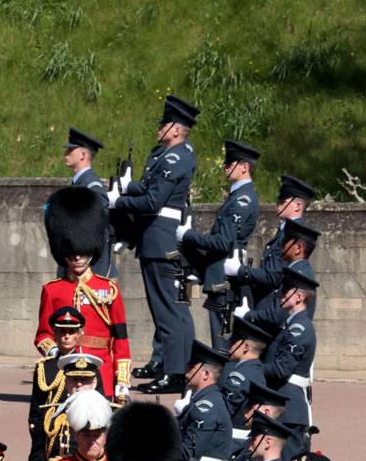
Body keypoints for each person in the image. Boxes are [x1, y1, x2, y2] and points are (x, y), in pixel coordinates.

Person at [110, 94, 200, 393]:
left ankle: (175, 373)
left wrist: (119, 201)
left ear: (176, 128)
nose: (159, 128)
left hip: (160, 237)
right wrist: (127, 185)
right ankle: (176, 365)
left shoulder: (176, 157)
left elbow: (152, 200)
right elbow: (149, 187)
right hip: (157, 237)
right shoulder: (168, 155)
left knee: (167, 310)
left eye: (164, 123)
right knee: (170, 307)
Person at [37, 187, 131, 398]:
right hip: (65, 373)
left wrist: (122, 379)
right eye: (72, 253)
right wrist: (56, 353)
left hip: (101, 372)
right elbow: (43, 334)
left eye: (82, 252)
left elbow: (120, 339)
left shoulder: (108, 289)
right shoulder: (52, 290)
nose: (77, 257)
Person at [178, 140, 260, 348]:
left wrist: (189, 235)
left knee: (222, 341)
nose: (225, 166)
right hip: (220, 275)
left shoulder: (242, 200)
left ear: (244, 167)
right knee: (221, 337)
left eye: (231, 162)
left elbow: (223, 242)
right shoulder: (237, 196)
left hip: (224, 278)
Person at [225, 177, 316, 313]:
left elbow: (273, 276)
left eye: (282, 202)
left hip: (273, 306)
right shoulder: (284, 231)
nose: (277, 205)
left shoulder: (293, 236)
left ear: (297, 206)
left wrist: (241, 270)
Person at [262, 266, 318, 434]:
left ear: (299, 297)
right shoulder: (292, 324)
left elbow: (282, 369)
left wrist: (252, 367)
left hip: (290, 407)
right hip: (285, 404)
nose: (282, 295)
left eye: (286, 291)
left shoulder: (298, 327)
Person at [29, 306, 86, 459]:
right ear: (54, 334)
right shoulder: (44, 367)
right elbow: (36, 410)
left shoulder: (89, 366)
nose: (66, 336)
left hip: (79, 437)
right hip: (50, 436)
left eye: (71, 332)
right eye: (62, 331)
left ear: (80, 334)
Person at [60, 128, 118, 280]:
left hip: (89, 268)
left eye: (70, 150)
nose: (65, 154)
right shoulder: (79, 184)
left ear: (83, 155)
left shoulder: (91, 186)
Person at [32, 353, 102, 461]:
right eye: (74, 380)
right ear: (66, 382)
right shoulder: (50, 415)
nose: (79, 384)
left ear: (94, 382)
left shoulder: (110, 416)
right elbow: (36, 460)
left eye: (85, 380)